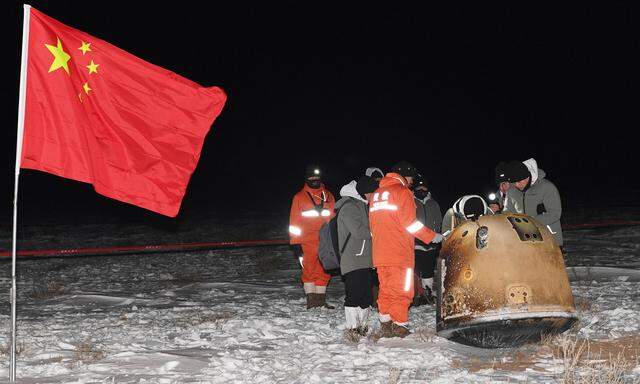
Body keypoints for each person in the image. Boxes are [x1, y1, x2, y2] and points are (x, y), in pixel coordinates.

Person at [369, 161, 443, 338]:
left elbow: (372, 227)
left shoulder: (377, 194)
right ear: (404, 176)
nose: (411, 182)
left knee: (386, 289)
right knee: (402, 290)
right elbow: (411, 224)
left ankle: (385, 323)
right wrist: (433, 237)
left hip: (380, 253)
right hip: (399, 252)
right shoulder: (403, 192)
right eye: (411, 178)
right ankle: (399, 325)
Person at [335, 175, 379, 336]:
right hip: (352, 258)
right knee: (354, 294)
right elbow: (359, 232)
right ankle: (353, 328)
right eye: (372, 192)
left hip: (365, 259)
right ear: (364, 192)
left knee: (366, 296)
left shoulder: (362, 205)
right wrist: (379, 232)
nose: (374, 196)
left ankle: (363, 327)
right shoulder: (349, 207)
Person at [289, 164, 336, 309]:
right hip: (306, 242)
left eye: (316, 177)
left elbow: (333, 218)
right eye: (311, 177)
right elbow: (294, 222)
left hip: (325, 241)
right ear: (306, 178)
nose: (314, 179)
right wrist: (295, 244)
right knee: (308, 270)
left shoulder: (328, 195)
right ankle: (311, 300)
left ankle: (320, 300)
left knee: (324, 270)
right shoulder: (299, 197)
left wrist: (335, 238)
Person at [507, 158, 563, 247]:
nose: (517, 185)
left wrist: (530, 222)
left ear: (528, 176)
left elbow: (555, 213)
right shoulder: (511, 190)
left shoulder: (547, 188)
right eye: (514, 183)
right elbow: (507, 212)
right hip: (522, 241)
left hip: (548, 238)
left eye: (519, 181)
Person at [412, 174, 442, 305]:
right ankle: (416, 294)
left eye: (424, 188)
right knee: (415, 270)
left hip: (430, 243)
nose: (422, 190)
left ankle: (427, 292)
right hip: (414, 243)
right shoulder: (411, 202)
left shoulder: (433, 203)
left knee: (428, 269)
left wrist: (436, 235)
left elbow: (439, 221)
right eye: (419, 187)